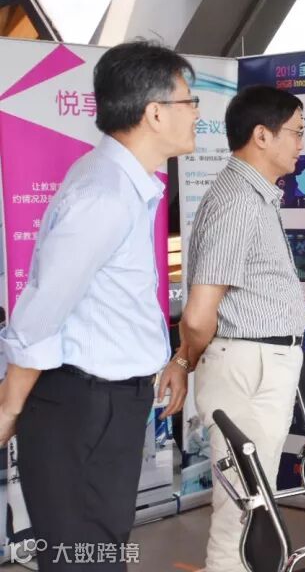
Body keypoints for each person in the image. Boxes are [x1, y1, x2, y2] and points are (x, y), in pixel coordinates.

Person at [0, 41, 199, 571]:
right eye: (189, 101)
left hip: (103, 404)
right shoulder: (104, 195)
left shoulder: (123, 184)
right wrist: (9, 407)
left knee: (99, 548)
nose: (196, 114)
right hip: (82, 407)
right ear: (155, 113)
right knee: (83, 557)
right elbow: (41, 312)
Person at [172, 85, 305, 572]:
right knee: (242, 514)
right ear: (262, 136)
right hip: (247, 367)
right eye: (296, 132)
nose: (301, 143)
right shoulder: (238, 201)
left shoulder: (254, 195)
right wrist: (184, 360)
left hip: (257, 362)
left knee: (255, 506)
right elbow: (198, 313)